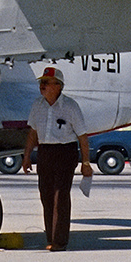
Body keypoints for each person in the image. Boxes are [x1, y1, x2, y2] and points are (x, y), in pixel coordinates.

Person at [20, 67, 93, 251]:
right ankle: (50, 238)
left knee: (60, 196)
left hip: (65, 152)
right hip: (45, 152)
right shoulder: (38, 105)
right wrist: (27, 156)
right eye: (41, 82)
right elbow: (33, 133)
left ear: (58, 86)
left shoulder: (70, 106)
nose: (42, 86)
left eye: (47, 82)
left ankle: (60, 241)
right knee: (46, 195)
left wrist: (86, 163)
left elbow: (82, 136)